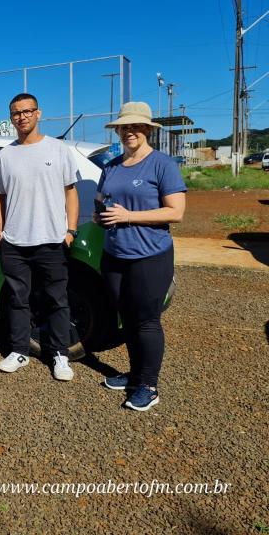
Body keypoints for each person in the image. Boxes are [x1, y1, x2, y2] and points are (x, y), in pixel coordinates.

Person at [96, 101, 186, 411]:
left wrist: (128, 217)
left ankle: (149, 384)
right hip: (115, 255)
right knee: (127, 318)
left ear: (147, 129)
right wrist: (101, 216)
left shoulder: (162, 164)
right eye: (124, 127)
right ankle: (135, 373)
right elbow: (101, 201)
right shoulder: (112, 166)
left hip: (150, 255)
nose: (129, 132)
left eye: (135, 126)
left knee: (147, 321)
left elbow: (176, 211)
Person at [0, 93, 79, 380]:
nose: (22, 117)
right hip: (15, 242)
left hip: (52, 240)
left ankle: (59, 354)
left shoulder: (58, 149)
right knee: (18, 300)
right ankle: (19, 351)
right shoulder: (5, 155)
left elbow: (71, 192)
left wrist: (71, 230)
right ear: (11, 118)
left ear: (38, 114)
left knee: (57, 300)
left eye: (27, 111)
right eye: (16, 113)